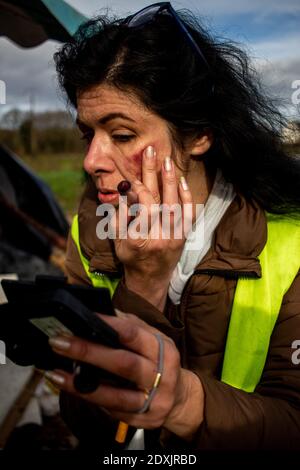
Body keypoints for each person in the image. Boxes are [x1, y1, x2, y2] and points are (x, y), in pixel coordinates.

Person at [47, 3, 300, 451]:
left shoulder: (291, 240)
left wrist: (183, 400)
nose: (91, 162)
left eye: (122, 135)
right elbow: (88, 421)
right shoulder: (90, 231)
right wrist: (143, 285)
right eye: (89, 135)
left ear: (199, 134)